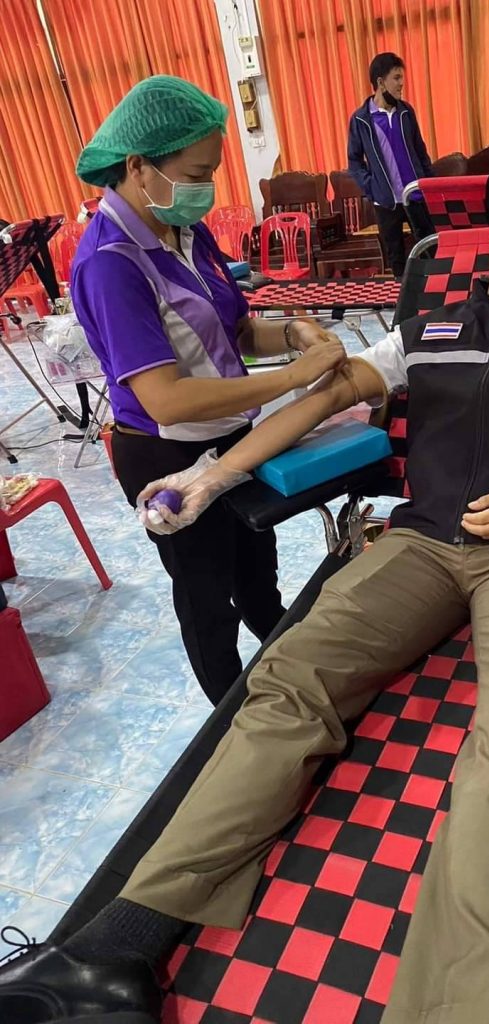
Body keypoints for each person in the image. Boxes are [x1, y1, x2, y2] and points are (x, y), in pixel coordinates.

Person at [0, 191, 489, 1024]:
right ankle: (114, 950)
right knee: (291, 677)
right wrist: (210, 478)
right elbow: (318, 400)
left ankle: (482, 1005)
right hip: (423, 544)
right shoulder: (425, 330)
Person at [69, 75, 347, 705]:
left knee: (257, 574)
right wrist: (293, 377)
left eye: (212, 172)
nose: (207, 188)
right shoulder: (111, 263)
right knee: (206, 597)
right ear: (138, 167)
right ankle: (231, 720)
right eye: (197, 173)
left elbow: (237, 328)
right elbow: (165, 397)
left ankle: (292, 681)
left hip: (233, 437)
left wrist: (296, 333)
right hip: (165, 453)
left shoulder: (186, 232)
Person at [348, 52, 435, 278]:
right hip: (386, 202)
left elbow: (421, 152)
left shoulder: (406, 112)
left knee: (430, 250)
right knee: (396, 258)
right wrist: (372, 187)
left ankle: (434, 294)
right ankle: (402, 297)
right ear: (380, 82)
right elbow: (354, 161)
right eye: (396, 78)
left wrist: (429, 184)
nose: (401, 83)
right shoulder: (361, 120)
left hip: (415, 196)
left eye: (401, 78)